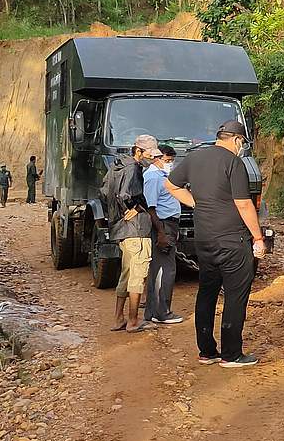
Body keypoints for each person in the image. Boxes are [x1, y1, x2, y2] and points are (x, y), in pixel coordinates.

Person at [164, 120, 267, 368]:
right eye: (242, 143)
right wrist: (258, 237)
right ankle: (231, 354)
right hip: (232, 240)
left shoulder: (194, 158)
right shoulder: (234, 163)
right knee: (235, 296)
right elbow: (243, 204)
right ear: (237, 140)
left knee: (207, 292)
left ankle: (207, 351)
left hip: (205, 239)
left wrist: (196, 203)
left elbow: (170, 185)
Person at [108, 135, 157, 333]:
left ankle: (119, 318)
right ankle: (133, 321)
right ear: (138, 151)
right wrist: (137, 208)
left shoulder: (116, 166)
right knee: (138, 276)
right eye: (149, 154)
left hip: (122, 231)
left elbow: (105, 192)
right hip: (136, 230)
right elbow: (127, 194)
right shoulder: (134, 168)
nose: (151, 159)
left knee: (126, 274)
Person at [144, 144, 183, 326]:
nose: (170, 164)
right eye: (167, 160)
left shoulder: (163, 176)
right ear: (157, 158)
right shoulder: (153, 177)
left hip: (169, 224)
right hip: (163, 224)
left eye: (172, 161)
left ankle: (153, 311)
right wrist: (161, 233)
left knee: (160, 268)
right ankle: (162, 312)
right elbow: (151, 208)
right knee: (165, 270)